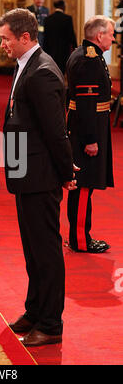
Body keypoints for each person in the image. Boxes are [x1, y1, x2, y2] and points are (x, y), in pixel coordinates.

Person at [0, 8, 77, 347]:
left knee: (45, 250)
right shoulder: (26, 65)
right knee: (32, 248)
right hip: (24, 170)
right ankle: (34, 309)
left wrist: (66, 171)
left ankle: (50, 323)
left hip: (41, 174)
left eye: (6, 39)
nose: (2, 44)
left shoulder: (42, 71)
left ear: (25, 38)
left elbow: (55, 131)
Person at [66, 15, 115, 253]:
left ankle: (79, 236)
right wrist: (91, 140)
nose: (113, 38)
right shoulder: (89, 60)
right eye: (111, 34)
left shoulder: (85, 54)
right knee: (84, 186)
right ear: (99, 36)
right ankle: (80, 240)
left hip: (85, 127)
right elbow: (86, 105)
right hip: (88, 131)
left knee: (85, 187)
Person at [43, 0, 77, 74]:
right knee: (62, 69)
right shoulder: (67, 19)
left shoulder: (47, 19)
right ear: (63, 6)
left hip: (50, 50)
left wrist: (44, 51)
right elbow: (71, 35)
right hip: (64, 50)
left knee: (52, 69)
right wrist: (75, 47)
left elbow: (45, 37)